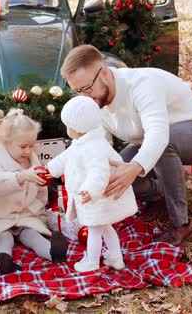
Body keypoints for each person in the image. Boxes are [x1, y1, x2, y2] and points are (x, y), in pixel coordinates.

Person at [60, 45, 192, 246]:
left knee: (161, 146)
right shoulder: (93, 102)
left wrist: (134, 168)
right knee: (114, 173)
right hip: (156, 142)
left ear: (105, 73)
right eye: (77, 91)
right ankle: (159, 193)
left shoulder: (142, 84)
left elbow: (158, 135)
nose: (84, 97)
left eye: (87, 89)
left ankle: (181, 224)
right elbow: (100, 146)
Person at [47, 96, 138, 272]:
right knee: (105, 227)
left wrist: (90, 191)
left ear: (79, 128)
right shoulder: (81, 143)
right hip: (97, 198)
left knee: (94, 229)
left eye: (68, 125)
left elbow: (99, 173)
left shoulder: (94, 148)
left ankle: (92, 261)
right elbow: (65, 158)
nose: (67, 129)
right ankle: (115, 257)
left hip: (97, 198)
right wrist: (50, 169)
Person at [0, 109, 68, 274]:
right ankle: (4, 259)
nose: (28, 151)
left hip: (27, 215)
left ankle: (53, 253)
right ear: (6, 142)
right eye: (23, 146)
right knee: (3, 237)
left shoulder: (33, 161)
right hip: (0, 215)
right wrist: (20, 177)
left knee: (32, 235)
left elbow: (41, 193)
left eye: (31, 146)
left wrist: (39, 213)